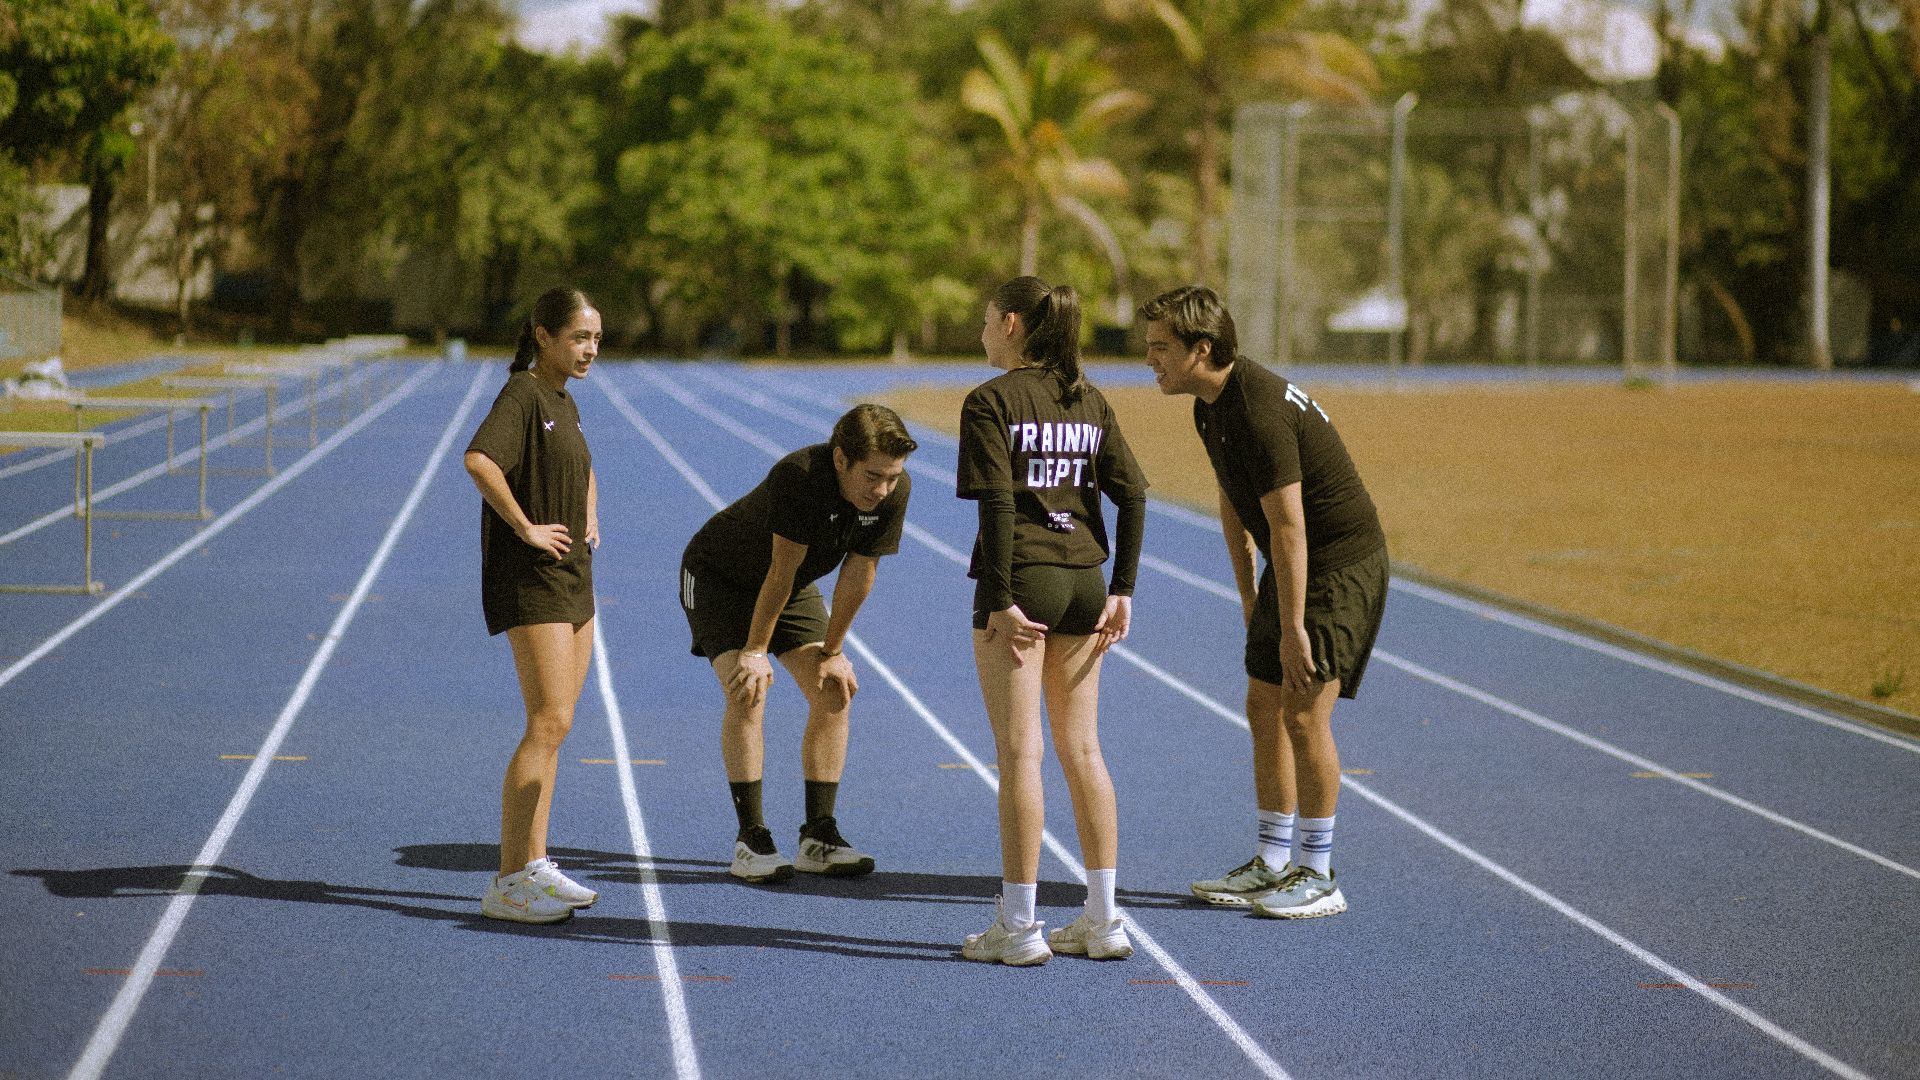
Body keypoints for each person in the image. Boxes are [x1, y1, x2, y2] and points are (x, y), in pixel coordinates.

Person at [1140, 284, 1388, 920]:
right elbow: (1233, 503)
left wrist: (1294, 626)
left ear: (1202, 349)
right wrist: (1250, 600)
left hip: (1339, 562)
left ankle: (1319, 872)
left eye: (1161, 347)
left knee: (1304, 711)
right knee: (1262, 701)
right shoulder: (1209, 408)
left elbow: (1289, 525)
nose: (1150, 359)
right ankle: (1273, 860)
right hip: (1295, 561)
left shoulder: (1258, 409)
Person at [956, 276, 1149, 966]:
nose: (980, 332)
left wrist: (1002, 599)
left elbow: (1000, 508)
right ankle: (1102, 920)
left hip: (1025, 583)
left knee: (1021, 755)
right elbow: (1134, 491)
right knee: (1084, 750)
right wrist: (1122, 587)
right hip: (1085, 581)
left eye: (984, 319)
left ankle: (1020, 924)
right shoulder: (1088, 398)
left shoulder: (991, 401)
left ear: (1010, 323)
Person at [678, 404, 917, 883]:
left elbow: (859, 572)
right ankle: (751, 839)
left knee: (834, 690)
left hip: (788, 587)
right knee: (749, 687)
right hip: (719, 578)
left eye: (892, 478)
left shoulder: (893, 489)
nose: (882, 489)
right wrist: (754, 650)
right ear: (840, 459)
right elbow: (780, 569)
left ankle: (819, 836)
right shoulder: (799, 477)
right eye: (872, 476)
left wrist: (832, 651)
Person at [463, 286, 605, 924]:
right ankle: (507, 881)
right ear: (543, 335)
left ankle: (535, 864)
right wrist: (525, 528)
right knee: (547, 720)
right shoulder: (522, 392)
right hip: (534, 578)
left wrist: (590, 516)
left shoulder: (564, 403)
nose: (590, 350)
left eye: (596, 339)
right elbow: (480, 461)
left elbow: (585, 466)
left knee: (561, 724)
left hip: (575, 577)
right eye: (579, 338)